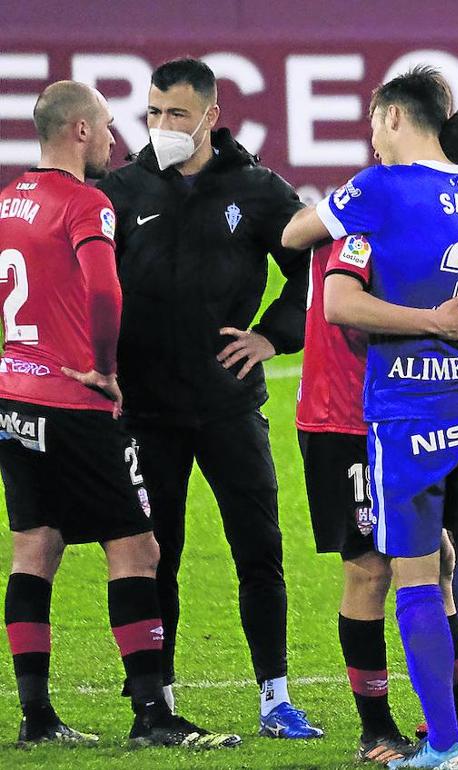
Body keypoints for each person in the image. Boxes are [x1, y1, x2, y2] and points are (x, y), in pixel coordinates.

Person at [282, 68, 458, 768]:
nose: (373, 139)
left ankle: (447, 745)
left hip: (409, 412)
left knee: (418, 575)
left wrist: (427, 321)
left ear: (394, 118)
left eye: (373, 126)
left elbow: (331, 291)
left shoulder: (377, 190)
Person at [0, 80, 237, 749]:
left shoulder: (9, 201)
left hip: (15, 399)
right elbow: (104, 286)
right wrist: (104, 367)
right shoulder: (86, 203)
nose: (115, 137)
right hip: (74, 402)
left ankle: (36, 717)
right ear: (77, 131)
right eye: (105, 125)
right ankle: (152, 716)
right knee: (137, 548)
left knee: (35, 550)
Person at [95, 58, 320, 739]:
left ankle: (275, 698)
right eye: (155, 112)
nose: (163, 126)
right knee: (156, 554)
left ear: (210, 118)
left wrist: (273, 339)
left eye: (178, 115)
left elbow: (312, 258)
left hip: (229, 404)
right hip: (145, 411)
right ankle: (157, 699)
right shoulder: (121, 189)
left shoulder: (255, 189)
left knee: (259, 549)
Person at [297, 235, 458, 764]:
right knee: (371, 568)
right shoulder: (358, 227)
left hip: (410, 412)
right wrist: (434, 320)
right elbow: (333, 294)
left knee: (439, 561)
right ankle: (377, 726)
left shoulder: (421, 223)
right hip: (344, 418)